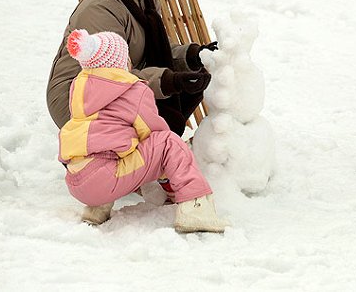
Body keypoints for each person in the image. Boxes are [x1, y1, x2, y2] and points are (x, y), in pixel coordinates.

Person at [47, 0, 216, 136]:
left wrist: (194, 55)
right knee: (164, 113)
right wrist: (168, 81)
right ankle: (132, 160)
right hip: (81, 95)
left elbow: (154, 49)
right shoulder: (99, 7)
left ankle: (155, 149)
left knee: (193, 83)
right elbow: (109, 76)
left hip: (123, 80)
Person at [59, 28, 229, 232]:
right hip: (105, 178)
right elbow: (154, 133)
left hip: (76, 181)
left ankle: (97, 209)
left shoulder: (80, 90)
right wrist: (169, 169)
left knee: (106, 150)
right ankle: (196, 210)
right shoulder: (131, 89)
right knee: (168, 142)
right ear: (119, 62)